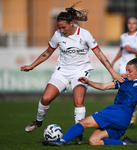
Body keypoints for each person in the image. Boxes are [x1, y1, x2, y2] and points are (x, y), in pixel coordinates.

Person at [20, 2, 123, 144]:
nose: (62, 30)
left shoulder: (85, 34)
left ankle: (78, 134)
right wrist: (31, 66)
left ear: (72, 23)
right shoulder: (57, 35)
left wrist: (112, 72)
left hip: (81, 71)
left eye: (64, 27)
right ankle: (38, 122)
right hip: (62, 72)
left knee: (78, 100)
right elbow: (48, 52)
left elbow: (98, 53)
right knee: (45, 99)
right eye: (59, 28)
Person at [42, 53, 137, 146]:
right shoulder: (123, 81)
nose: (127, 73)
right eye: (126, 70)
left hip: (118, 112)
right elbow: (104, 86)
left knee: (83, 122)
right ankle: (125, 143)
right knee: (93, 140)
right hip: (123, 121)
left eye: (130, 71)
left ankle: (62, 141)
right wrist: (88, 82)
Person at [111, 17, 137, 125]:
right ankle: (123, 115)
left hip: (135, 68)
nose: (131, 25)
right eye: (129, 23)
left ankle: (134, 111)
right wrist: (113, 61)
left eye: (133, 23)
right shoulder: (123, 36)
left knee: (133, 92)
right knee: (122, 91)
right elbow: (122, 50)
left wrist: (133, 50)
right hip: (123, 66)